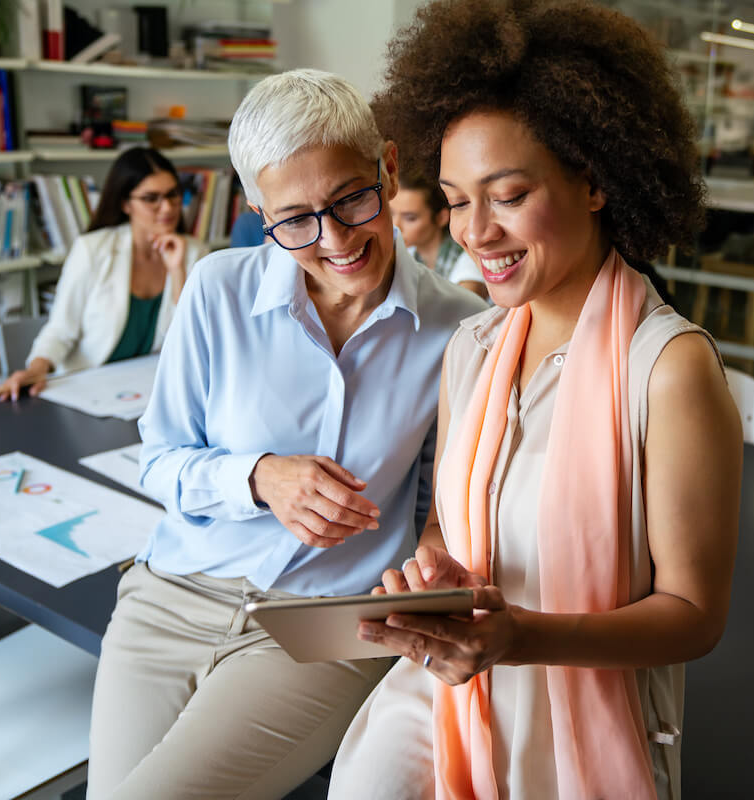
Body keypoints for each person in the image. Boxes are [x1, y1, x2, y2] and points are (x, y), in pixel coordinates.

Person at [329, 2, 742, 799]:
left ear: (593, 181)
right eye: (454, 199)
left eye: (507, 194)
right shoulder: (472, 349)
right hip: (450, 687)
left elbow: (695, 614)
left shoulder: (669, 370)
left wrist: (518, 640)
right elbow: (449, 521)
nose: (473, 233)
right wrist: (433, 571)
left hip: (579, 712)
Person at [85, 70, 487, 799]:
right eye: (295, 218)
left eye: (351, 200)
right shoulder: (216, 289)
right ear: (257, 210)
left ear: (388, 169)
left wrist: (430, 559)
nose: (333, 239)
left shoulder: (461, 327)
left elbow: (442, 507)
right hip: (170, 596)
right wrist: (260, 476)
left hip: (325, 629)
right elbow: (161, 461)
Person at [0, 147, 207, 401]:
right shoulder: (92, 249)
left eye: (173, 195)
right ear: (126, 204)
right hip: (90, 387)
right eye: (151, 198)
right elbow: (60, 329)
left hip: (152, 388)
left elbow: (193, 337)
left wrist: (177, 270)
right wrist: (36, 370)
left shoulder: (193, 252)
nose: (167, 207)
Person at [391, 169, 487, 300]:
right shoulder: (409, 254)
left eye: (410, 218)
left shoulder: (467, 263)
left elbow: (464, 315)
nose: (396, 226)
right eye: (392, 213)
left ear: (441, 218)